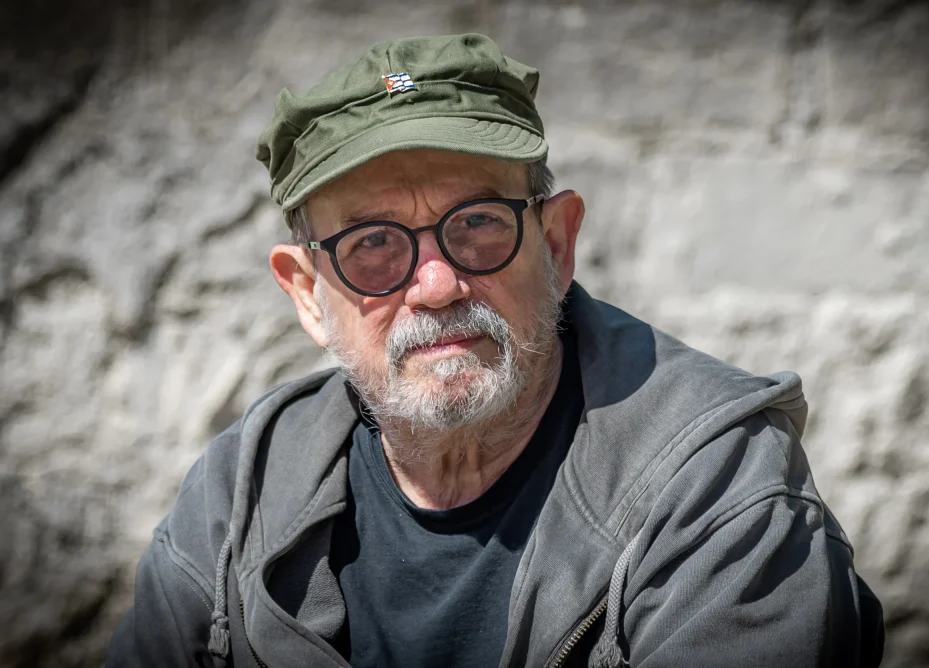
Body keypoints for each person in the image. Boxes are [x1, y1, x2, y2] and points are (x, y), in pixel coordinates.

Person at [107, 33, 884, 668]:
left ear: (555, 242)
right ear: (309, 294)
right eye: (374, 244)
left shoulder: (715, 484)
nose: (438, 284)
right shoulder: (239, 494)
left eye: (477, 222)